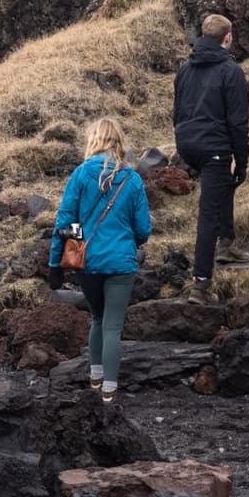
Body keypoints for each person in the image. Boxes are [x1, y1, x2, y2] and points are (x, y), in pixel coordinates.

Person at [45, 117, 152, 403]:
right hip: (121, 263)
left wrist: (55, 264)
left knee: (97, 317)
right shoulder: (132, 178)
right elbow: (143, 229)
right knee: (113, 326)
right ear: (118, 141)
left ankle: (95, 377)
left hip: (88, 262)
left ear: (94, 139)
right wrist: (129, 240)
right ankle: (109, 389)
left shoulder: (80, 175)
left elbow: (66, 223)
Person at [173, 13, 249, 304]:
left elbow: (177, 111)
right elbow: (238, 123)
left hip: (187, 143)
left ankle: (227, 243)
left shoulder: (185, 68)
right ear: (227, 38)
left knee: (221, 183)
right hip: (214, 146)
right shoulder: (231, 71)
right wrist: (241, 161)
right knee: (208, 212)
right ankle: (201, 284)